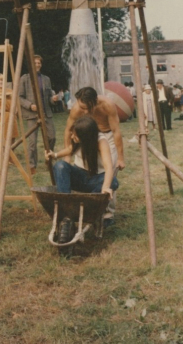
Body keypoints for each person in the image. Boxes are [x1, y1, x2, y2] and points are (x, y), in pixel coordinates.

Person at [65, 87, 124, 226]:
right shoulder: (76, 109)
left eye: (87, 108)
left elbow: (116, 131)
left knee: (109, 172)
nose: (84, 112)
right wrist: (67, 156)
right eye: (81, 107)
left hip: (107, 135)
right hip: (86, 136)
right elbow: (68, 130)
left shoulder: (107, 105)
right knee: (85, 169)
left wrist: (120, 157)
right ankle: (87, 208)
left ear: (95, 101)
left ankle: (107, 213)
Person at [46, 116, 119, 197]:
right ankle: (65, 201)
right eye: (72, 134)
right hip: (79, 176)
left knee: (113, 182)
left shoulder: (101, 141)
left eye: (75, 135)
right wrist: (55, 155)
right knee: (60, 166)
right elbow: (70, 149)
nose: (72, 137)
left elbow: (108, 167)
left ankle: (90, 201)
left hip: (95, 178)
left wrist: (105, 187)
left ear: (85, 136)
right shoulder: (78, 140)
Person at [19, 54, 58, 175]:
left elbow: (49, 98)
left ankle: (48, 159)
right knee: (32, 142)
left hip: (46, 113)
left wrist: (53, 99)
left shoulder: (46, 79)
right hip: (32, 114)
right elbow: (19, 97)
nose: (37, 65)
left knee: (52, 137)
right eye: (35, 63)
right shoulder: (24, 78)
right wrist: (30, 105)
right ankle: (32, 165)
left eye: (39, 63)